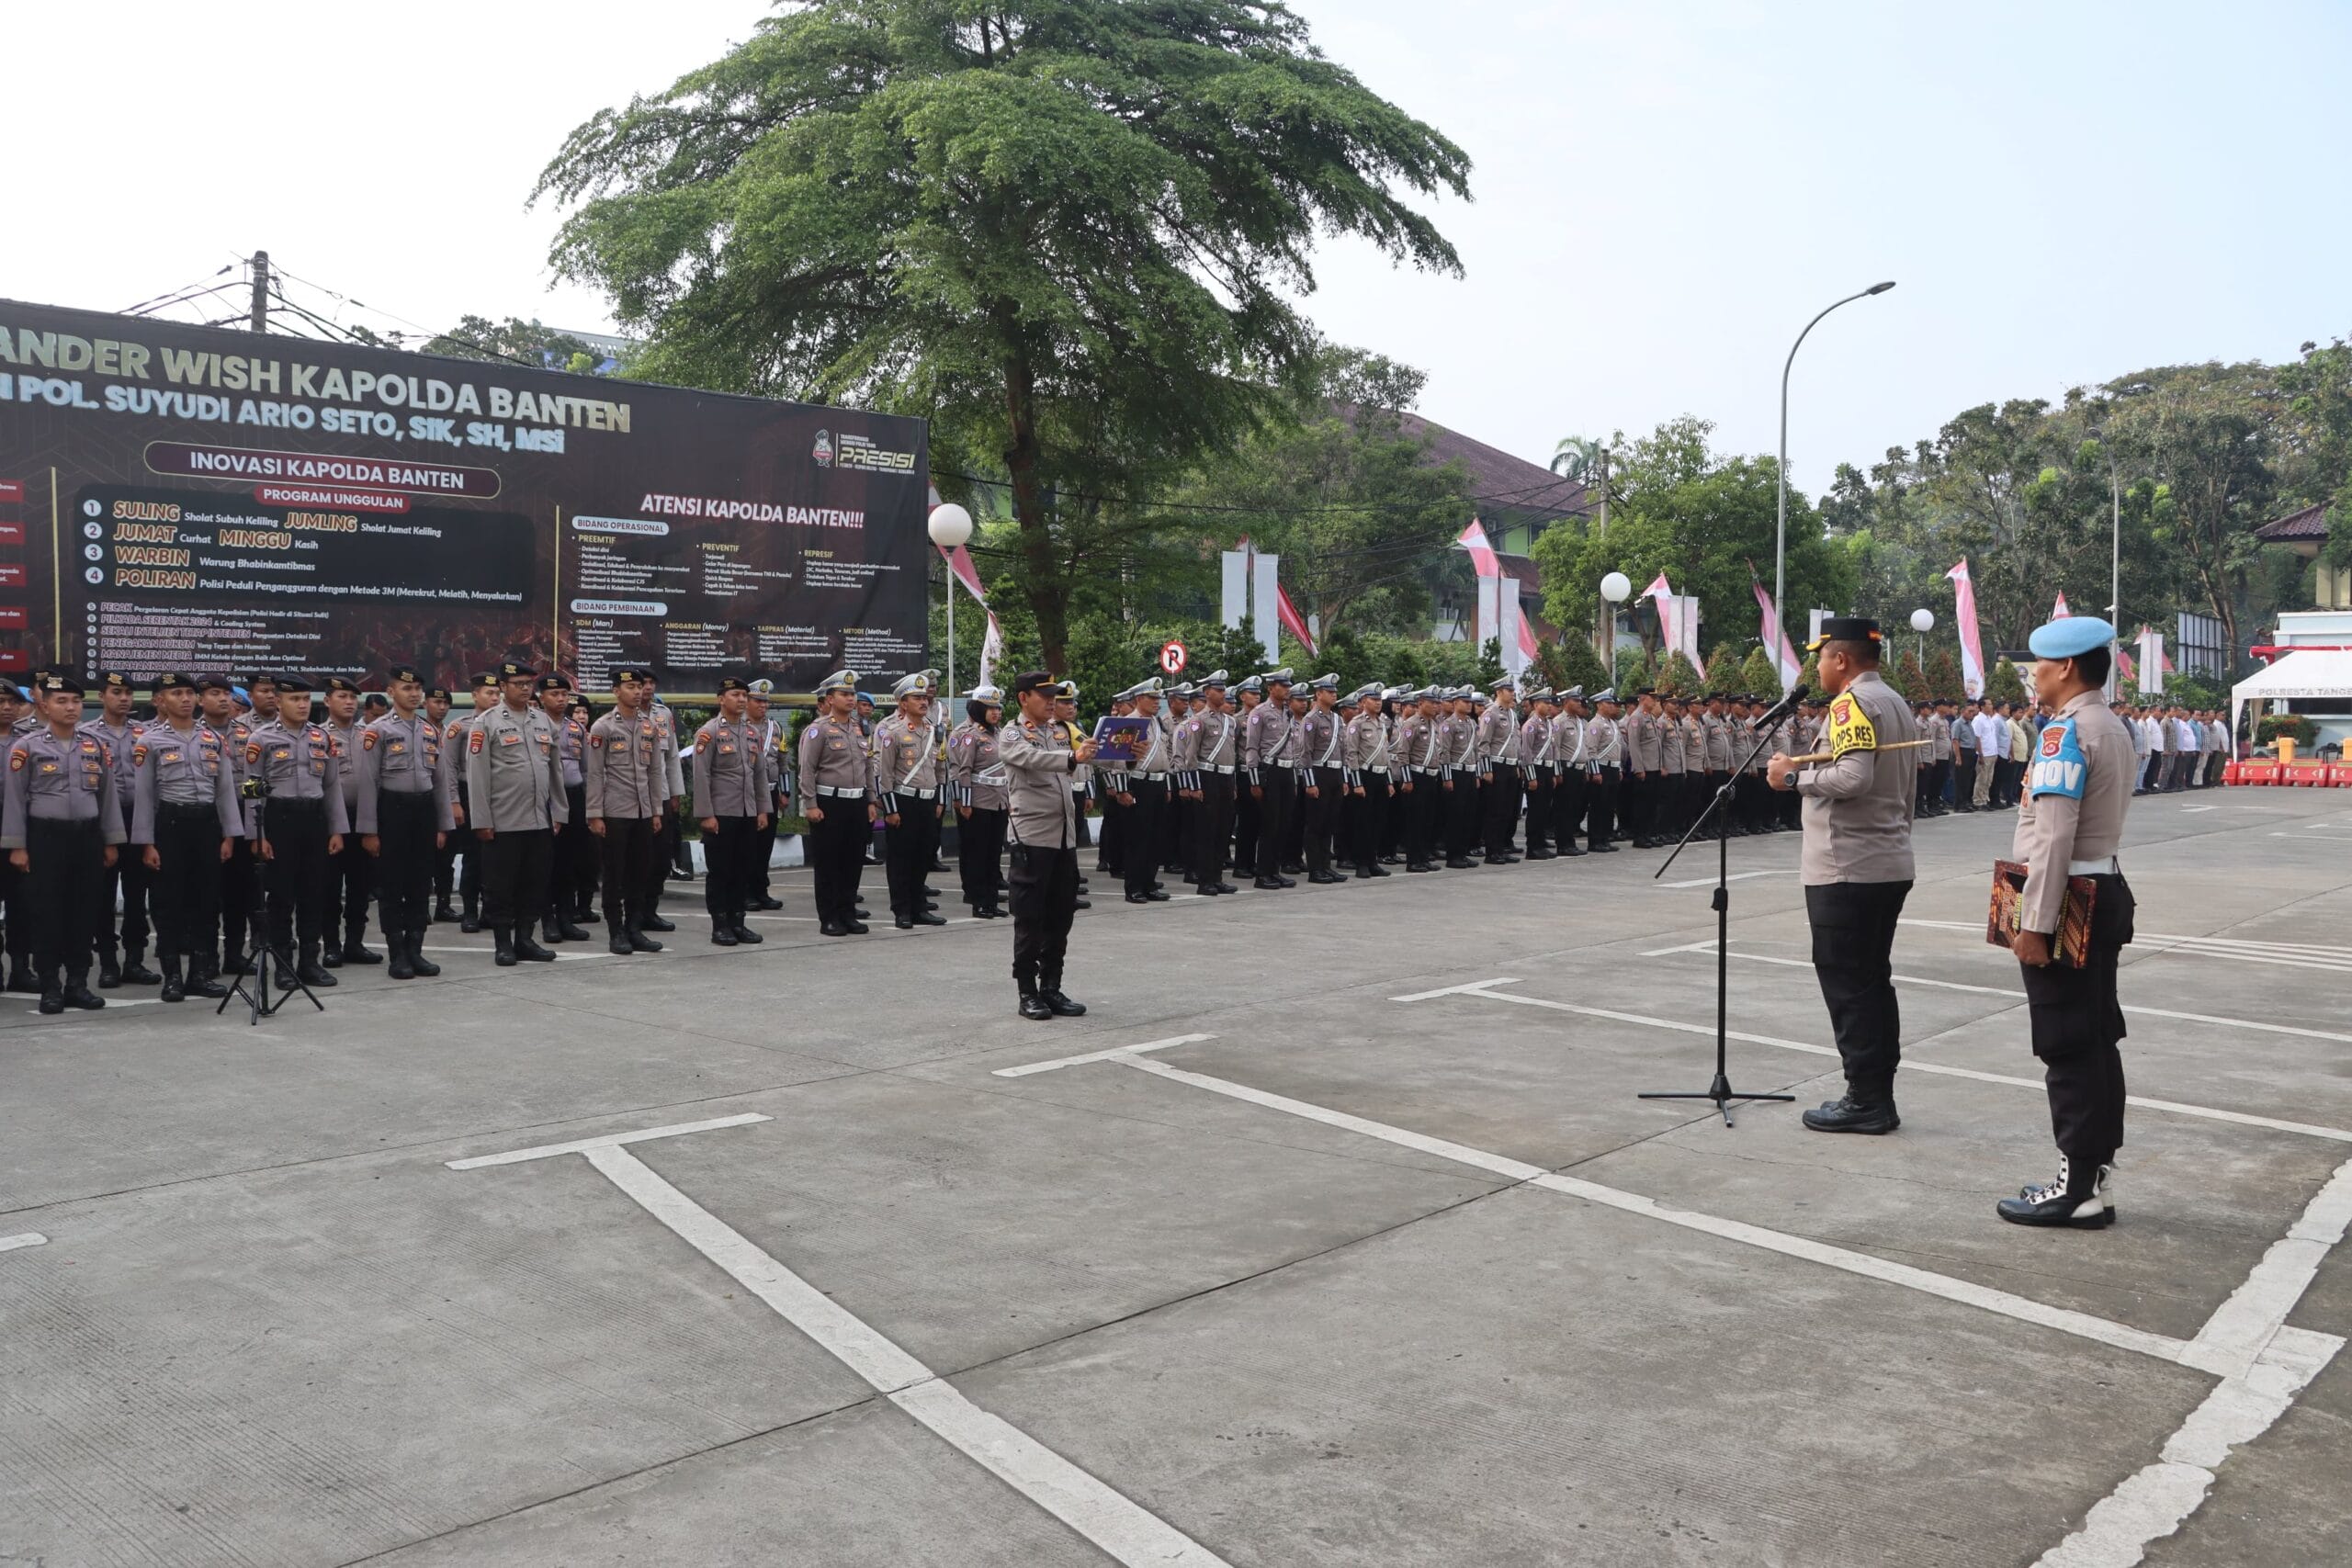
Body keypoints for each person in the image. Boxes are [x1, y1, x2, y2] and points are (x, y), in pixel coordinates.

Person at [1999, 617, 2136, 1227]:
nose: (2034, 675)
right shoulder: (2111, 725)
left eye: (2039, 665)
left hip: (2068, 899)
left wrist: (2035, 922)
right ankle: (2092, 1179)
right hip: (2102, 885)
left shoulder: (2065, 733)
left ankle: (2074, 1188)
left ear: (2067, 667)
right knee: (2096, 1038)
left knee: (2067, 1043)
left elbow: (2053, 838)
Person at [1766, 617, 1918, 1135]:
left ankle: (1866, 1099)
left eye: (1820, 658)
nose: (1817, 668)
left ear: (1841, 659)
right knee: (1871, 983)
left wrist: (1792, 777)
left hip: (1847, 866)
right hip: (1885, 859)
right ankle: (1876, 1094)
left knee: (1851, 988)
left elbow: (1854, 776)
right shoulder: (1894, 701)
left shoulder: (1852, 703)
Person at [5, 672, 123, 1011]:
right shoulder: (27, 746)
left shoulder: (95, 745)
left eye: (75, 701)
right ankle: (50, 986)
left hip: (87, 838)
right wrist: (17, 846)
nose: (71, 707)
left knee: (83, 911)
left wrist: (111, 841)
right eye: (62, 701)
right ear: (44, 706)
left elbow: (108, 797)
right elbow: (15, 799)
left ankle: (77, 983)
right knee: (47, 913)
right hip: (45, 838)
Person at [129, 672, 242, 1001]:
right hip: (170, 826)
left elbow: (224, 792)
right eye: (176, 693)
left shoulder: (212, 739)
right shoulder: (149, 741)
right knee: (169, 904)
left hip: (206, 826)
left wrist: (230, 835)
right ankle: (173, 977)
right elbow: (144, 796)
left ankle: (199, 975)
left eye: (189, 693)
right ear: (161, 701)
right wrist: (146, 843)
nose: (185, 699)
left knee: (205, 903)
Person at [999, 673, 1098, 1019]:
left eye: (1055, 695)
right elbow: (1033, 759)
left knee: (1061, 915)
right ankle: (1027, 991)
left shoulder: (1062, 731)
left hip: (1063, 838)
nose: (1052, 701)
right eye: (1045, 696)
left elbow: (1090, 757)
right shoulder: (1012, 734)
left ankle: (1051, 987)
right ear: (1023, 698)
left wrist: (1126, 754)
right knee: (1030, 918)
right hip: (1033, 838)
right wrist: (1072, 757)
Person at [245, 675, 348, 988]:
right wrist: (256, 836)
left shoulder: (322, 737)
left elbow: (332, 786)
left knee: (313, 894)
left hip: (314, 820)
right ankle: (283, 965)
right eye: (294, 699)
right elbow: (251, 789)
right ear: (279, 702)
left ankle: (309, 963)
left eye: (305, 699)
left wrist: (337, 829)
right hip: (279, 819)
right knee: (281, 897)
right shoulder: (260, 739)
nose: (302, 705)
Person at [354, 665, 456, 981]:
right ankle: (397, 953)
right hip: (392, 811)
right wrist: (369, 830)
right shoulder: (378, 730)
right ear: (391, 692)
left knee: (420, 884)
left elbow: (440, 781)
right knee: (392, 885)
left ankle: (416, 950)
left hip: (423, 812)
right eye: (406, 688)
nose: (413, 694)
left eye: (417, 689)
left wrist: (443, 825)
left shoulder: (429, 730)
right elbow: (368, 782)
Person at [463, 660, 568, 966]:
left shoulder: (542, 720)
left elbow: (555, 770)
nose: (525, 689)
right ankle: (503, 944)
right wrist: (482, 821)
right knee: (500, 887)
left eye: (528, 684)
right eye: (518, 684)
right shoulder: (486, 722)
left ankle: (525, 939)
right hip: (503, 822)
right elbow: (477, 776)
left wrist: (559, 811)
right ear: (503, 687)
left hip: (539, 820)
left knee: (534, 884)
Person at [584, 666, 667, 954]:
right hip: (614, 811)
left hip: (643, 811)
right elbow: (595, 773)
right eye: (630, 687)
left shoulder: (649, 725)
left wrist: (656, 810)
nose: (637, 692)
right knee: (614, 874)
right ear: (616, 691)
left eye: (639, 687)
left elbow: (654, 771)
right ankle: (616, 931)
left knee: (639, 873)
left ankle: (634, 929)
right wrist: (595, 814)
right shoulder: (603, 727)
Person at [84, 671, 158, 987]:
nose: (124, 698)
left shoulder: (146, 734)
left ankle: (135, 961)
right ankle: (108, 963)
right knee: (102, 896)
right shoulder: (86, 735)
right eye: (116, 692)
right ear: (102, 696)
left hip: (138, 820)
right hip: (102, 823)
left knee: (137, 894)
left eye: (128, 692)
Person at [694, 675, 775, 944]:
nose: (741, 700)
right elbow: (702, 776)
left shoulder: (752, 733)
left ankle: (738, 922)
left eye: (744, 695)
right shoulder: (709, 732)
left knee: (742, 869)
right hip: (721, 813)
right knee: (720, 872)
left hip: (747, 813)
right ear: (721, 699)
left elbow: (759, 774)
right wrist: (706, 814)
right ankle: (720, 925)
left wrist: (762, 809)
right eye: (735, 695)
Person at [799, 671, 876, 936]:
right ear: (830, 699)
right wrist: (810, 804)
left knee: (852, 862)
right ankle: (829, 917)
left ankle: (847, 913)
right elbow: (807, 769)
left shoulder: (860, 727)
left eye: (852, 694)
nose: (851, 699)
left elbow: (868, 766)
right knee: (829, 864)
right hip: (829, 803)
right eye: (844, 694)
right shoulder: (818, 729)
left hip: (857, 802)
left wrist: (871, 799)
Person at [314, 676, 380, 968]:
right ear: (327, 701)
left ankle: (355, 943)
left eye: (353, 697)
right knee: (329, 887)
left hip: (363, 818)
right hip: (329, 821)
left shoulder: (369, 735)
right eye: (342, 696)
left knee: (360, 886)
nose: (349, 702)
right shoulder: (318, 735)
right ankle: (331, 945)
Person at [537, 673, 595, 944]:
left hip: (574, 798)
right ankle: (547, 920)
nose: (561, 699)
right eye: (554, 694)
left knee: (571, 861)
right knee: (547, 862)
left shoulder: (576, 728)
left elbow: (586, 769)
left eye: (564, 695)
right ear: (542, 698)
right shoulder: (535, 725)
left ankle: (566, 917)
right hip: (546, 799)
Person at [1103, 679, 1173, 903]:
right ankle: (1134, 887)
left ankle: (1149, 884)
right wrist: (1122, 790)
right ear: (1139, 699)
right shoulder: (1128, 723)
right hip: (1138, 784)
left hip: (1158, 783)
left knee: (1156, 838)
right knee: (1137, 839)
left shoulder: (1157, 723)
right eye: (1152, 698)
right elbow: (1118, 762)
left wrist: (1167, 785)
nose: (1157, 702)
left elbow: (1166, 755)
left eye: (1158, 698)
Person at [1170, 671, 1238, 895]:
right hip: (1207, 777)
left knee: (1223, 831)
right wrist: (1194, 786)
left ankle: (1217, 877)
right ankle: (1205, 880)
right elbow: (1190, 756)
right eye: (1218, 690)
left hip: (1226, 777)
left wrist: (1233, 784)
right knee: (1207, 831)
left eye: (1223, 689)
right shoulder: (1198, 721)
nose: (1222, 693)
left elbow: (1232, 754)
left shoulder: (1230, 721)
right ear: (1207, 693)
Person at [949, 684, 1011, 917]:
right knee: (978, 854)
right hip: (978, 801)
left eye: (998, 708)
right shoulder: (970, 736)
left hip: (999, 800)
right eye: (990, 708)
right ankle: (979, 902)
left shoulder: (999, 734)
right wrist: (964, 802)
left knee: (994, 854)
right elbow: (963, 771)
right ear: (978, 709)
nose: (996, 712)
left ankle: (992, 901)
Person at [1476, 676, 1523, 863]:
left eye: (1512, 691)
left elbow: (1516, 742)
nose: (1512, 694)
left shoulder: (1512, 714)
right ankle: (1492, 852)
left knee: (1507, 811)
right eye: (1509, 691)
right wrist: (1487, 770)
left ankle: (1501, 848)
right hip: (1496, 766)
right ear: (1499, 692)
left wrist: (1517, 765)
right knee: (1495, 811)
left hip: (1510, 766)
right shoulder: (1491, 714)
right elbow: (1483, 744)